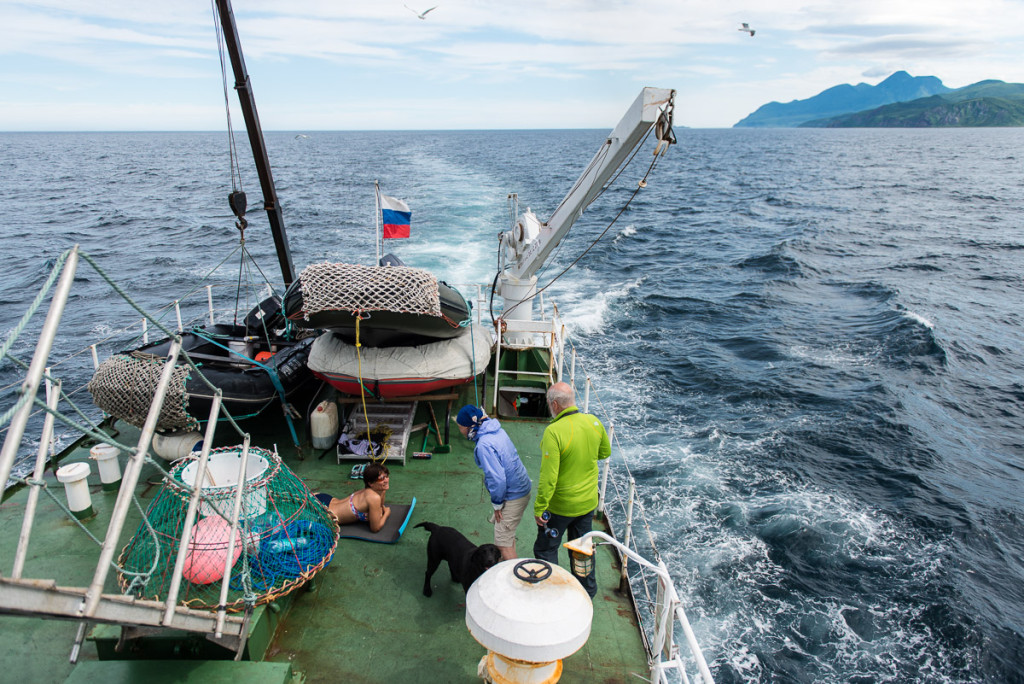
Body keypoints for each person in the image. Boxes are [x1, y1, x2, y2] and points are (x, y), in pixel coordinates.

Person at [533, 382, 610, 598]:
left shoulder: (554, 432)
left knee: (546, 549)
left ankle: (550, 593)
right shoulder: (594, 422)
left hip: (560, 507)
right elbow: (605, 452)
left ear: (555, 404)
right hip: (586, 505)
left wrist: (540, 507)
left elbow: (549, 477)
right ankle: (586, 593)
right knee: (581, 551)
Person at [456, 405, 532, 561]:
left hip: (514, 495)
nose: (460, 431)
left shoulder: (484, 445)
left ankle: (515, 579)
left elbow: (497, 478)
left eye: (460, 427)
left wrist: (497, 504)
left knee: (503, 545)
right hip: (522, 487)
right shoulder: (496, 430)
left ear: (469, 427)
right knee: (506, 536)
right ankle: (506, 570)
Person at [314, 462, 391, 533]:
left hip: (326, 498)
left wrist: (383, 491)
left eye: (386, 476)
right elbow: (375, 528)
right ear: (371, 483)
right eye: (381, 478)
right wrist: (387, 514)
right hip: (324, 513)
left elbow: (380, 506)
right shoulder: (374, 497)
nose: (386, 480)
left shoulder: (370, 490)